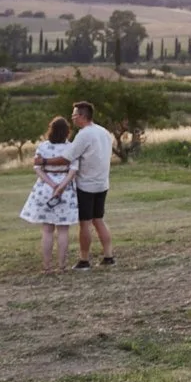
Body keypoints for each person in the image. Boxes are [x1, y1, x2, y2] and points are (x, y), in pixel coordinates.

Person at [18, 116, 80, 274]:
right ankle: (62, 265)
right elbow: (73, 170)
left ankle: (46, 266)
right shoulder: (71, 147)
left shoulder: (43, 147)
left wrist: (52, 184)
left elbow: (37, 168)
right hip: (65, 190)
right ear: (67, 132)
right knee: (63, 230)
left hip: (45, 188)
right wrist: (61, 186)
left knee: (47, 230)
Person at [62, 101, 114, 269]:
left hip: (86, 184)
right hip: (102, 182)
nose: (72, 119)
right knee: (98, 219)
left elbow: (68, 156)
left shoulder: (84, 134)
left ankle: (84, 260)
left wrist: (44, 161)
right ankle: (108, 255)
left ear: (82, 116)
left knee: (84, 223)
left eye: (74, 115)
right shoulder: (104, 132)